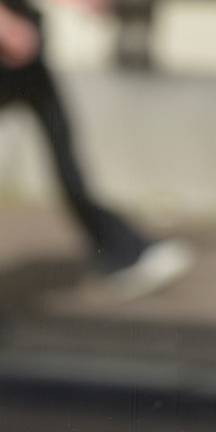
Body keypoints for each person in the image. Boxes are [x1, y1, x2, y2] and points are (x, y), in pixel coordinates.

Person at [0, 0, 192, 298]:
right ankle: (124, 250)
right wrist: (7, 26)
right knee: (66, 159)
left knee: (66, 158)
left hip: (25, 54)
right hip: (14, 49)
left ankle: (124, 250)